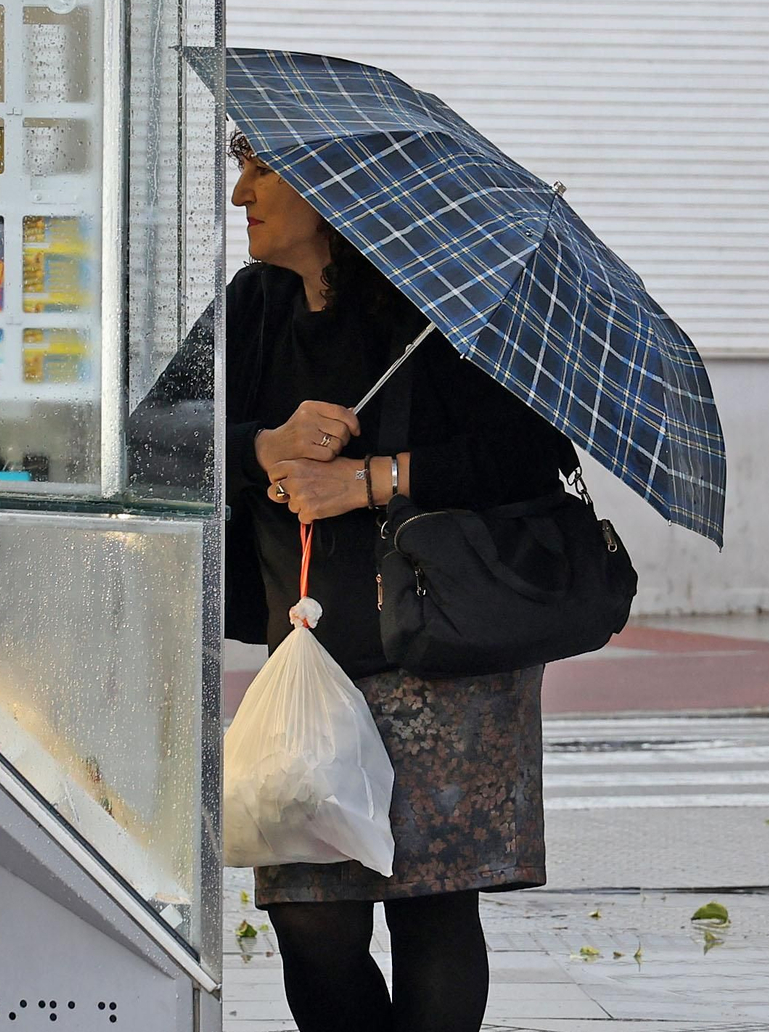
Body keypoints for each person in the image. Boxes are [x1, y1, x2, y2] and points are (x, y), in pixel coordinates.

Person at [137, 134, 569, 1031]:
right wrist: (264, 445)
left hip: (446, 648)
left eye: (259, 169)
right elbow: (153, 430)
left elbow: (534, 452)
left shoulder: (436, 307)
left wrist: (376, 478)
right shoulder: (255, 307)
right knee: (308, 917)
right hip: (317, 657)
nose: (238, 193)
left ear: (330, 189)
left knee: (434, 902)